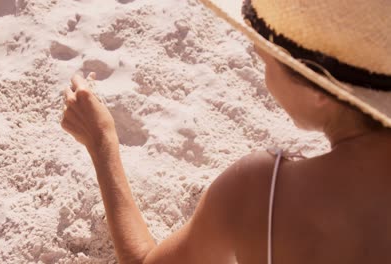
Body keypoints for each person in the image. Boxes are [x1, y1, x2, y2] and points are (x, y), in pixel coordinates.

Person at [61, 0, 391, 263]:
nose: (264, 74)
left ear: (319, 91)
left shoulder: (260, 192)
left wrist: (102, 143)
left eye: (266, 61)